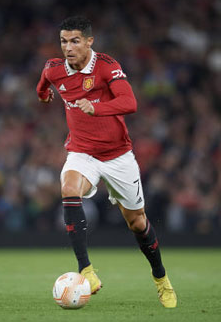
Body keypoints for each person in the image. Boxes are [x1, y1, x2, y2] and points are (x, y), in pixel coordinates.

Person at [36, 16, 177, 308]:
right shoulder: (53, 69)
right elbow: (43, 84)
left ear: (89, 41)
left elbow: (130, 102)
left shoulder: (106, 66)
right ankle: (86, 270)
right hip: (81, 152)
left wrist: (96, 107)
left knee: (137, 223)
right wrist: (43, 95)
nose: (68, 47)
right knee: (69, 189)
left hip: (117, 156)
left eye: (75, 40)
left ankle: (161, 278)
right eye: (64, 41)